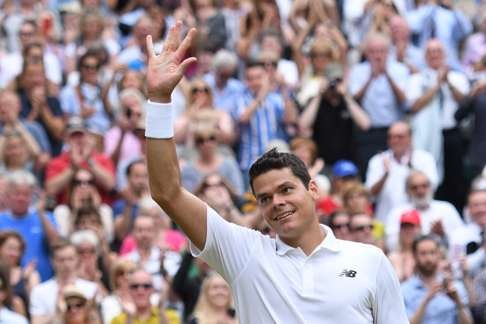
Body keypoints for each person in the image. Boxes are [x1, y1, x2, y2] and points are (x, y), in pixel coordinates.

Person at [144, 22, 408, 323]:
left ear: (313, 189)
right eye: (265, 198)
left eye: (285, 190)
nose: (277, 202)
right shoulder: (244, 254)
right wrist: (160, 101)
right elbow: (166, 192)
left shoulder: (369, 261)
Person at [365, 121, 438, 223]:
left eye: (400, 137)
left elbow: (432, 187)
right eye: (391, 137)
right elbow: (370, 195)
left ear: (410, 138)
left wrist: (411, 168)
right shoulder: (377, 160)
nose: (394, 140)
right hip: (385, 219)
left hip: (418, 221)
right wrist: (385, 175)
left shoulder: (425, 158)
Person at [0, 170, 59, 281]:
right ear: (7, 195)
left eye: (26, 194)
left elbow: (57, 244)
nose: (21, 198)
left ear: (33, 196)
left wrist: (41, 213)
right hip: (6, 284)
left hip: (43, 282)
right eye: (17, 193)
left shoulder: (46, 217)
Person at [401, 235, 473, 324]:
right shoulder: (405, 290)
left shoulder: (453, 286)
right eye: (423, 253)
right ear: (415, 256)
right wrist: (426, 299)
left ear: (439, 254)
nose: (428, 258)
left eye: (432, 252)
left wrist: (457, 301)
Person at [386, 170, 464, 251]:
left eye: (424, 186)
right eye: (414, 187)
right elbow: (391, 245)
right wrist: (428, 236)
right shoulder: (397, 213)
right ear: (407, 191)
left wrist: (442, 235)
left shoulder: (447, 209)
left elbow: (461, 239)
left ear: (431, 187)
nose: (420, 191)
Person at [29, 240, 98, 324]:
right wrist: (58, 311)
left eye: (70, 259)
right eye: (61, 260)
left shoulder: (91, 288)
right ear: (52, 261)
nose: (66, 264)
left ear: (77, 259)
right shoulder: (39, 291)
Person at [110, 268, 180, 324]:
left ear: (153, 289)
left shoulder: (171, 317)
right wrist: (129, 318)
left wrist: (162, 313)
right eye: (135, 286)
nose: (140, 291)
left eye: (146, 286)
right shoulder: (118, 321)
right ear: (129, 290)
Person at [0, 230, 40, 314]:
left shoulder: (31, 275)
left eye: (18, 249)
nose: (14, 253)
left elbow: (36, 305)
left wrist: (25, 280)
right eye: (10, 248)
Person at [388, 210, 421, 282]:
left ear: (419, 229)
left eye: (411, 227)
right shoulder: (393, 257)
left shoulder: (424, 255)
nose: (408, 231)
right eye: (404, 227)